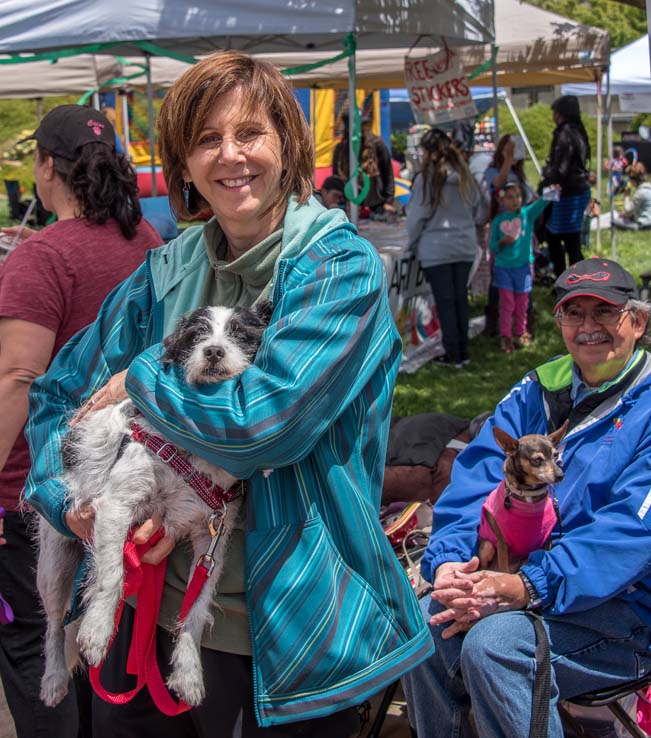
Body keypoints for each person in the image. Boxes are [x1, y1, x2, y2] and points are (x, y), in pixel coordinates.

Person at [23, 52, 433, 738]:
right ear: (181, 165)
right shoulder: (163, 272)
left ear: (287, 146)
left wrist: (142, 379)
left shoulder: (337, 269)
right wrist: (74, 506)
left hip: (281, 633)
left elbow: (263, 426)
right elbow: (55, 395)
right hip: (143, 613)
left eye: (250, 133)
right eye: (207, 139)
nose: (230, 155)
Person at [402, 256, 651, 738]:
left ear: (637, 321)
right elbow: (473, 479)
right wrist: (451, 564)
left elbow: (631, 532)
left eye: (604, 312)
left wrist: (529, 587)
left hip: (628, 611)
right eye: (573, 313)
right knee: (424, 620)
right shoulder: (540, 387)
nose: (587, 327)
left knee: (497, 645)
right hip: (526, 581)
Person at [0, 104, 161, 738]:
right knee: (101, 640)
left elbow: (16, 379)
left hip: (37, 492)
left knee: (39, 651)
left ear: (47, 168)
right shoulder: (147, 242)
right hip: (125, 481)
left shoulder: (43, 256)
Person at [406, 128, 486, 368]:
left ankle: (454, 353)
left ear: (428, 151)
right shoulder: (464, 176)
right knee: (460, 299)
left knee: (446, 302)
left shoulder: (426, 179)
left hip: (437, 248)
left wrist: (410, 244)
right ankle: (462, 350)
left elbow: (417, 216)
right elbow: (479, 210)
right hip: (463, 244)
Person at [489, 183, 550, 353]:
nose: (515, 200)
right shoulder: (498, 221)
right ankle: (506, 337)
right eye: (510, 197)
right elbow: (492, 246)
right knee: (507, 304)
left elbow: (541, 203)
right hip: (504, 269)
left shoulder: (526, 215)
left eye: (517, 196)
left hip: (523, 268)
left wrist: (551, 191)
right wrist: (502, 242)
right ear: (502, 200)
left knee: (522, 303)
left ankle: (520, 332)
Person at [540, 95, 592, 277]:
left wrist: (546, 178)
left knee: (556, 238)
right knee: (572, 239)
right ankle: (577, 279)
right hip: (577, 189)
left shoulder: (565, 134)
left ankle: (566, 279)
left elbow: (561, 168)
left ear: (560, 113)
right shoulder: (578, 131)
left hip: (566, 192)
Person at [332, 114, 395, 217]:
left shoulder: (377, 145)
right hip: (350, 205)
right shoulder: (341, 148)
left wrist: (388, 201)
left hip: (375, 204)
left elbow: (387, 173)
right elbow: (336, 178)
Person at [613, 161, 651, 231]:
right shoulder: (648, 188)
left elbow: (627, 211)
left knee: (614, 220)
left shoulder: (640, 193)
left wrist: (626, 196)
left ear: (633, 180)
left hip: (643, 225)